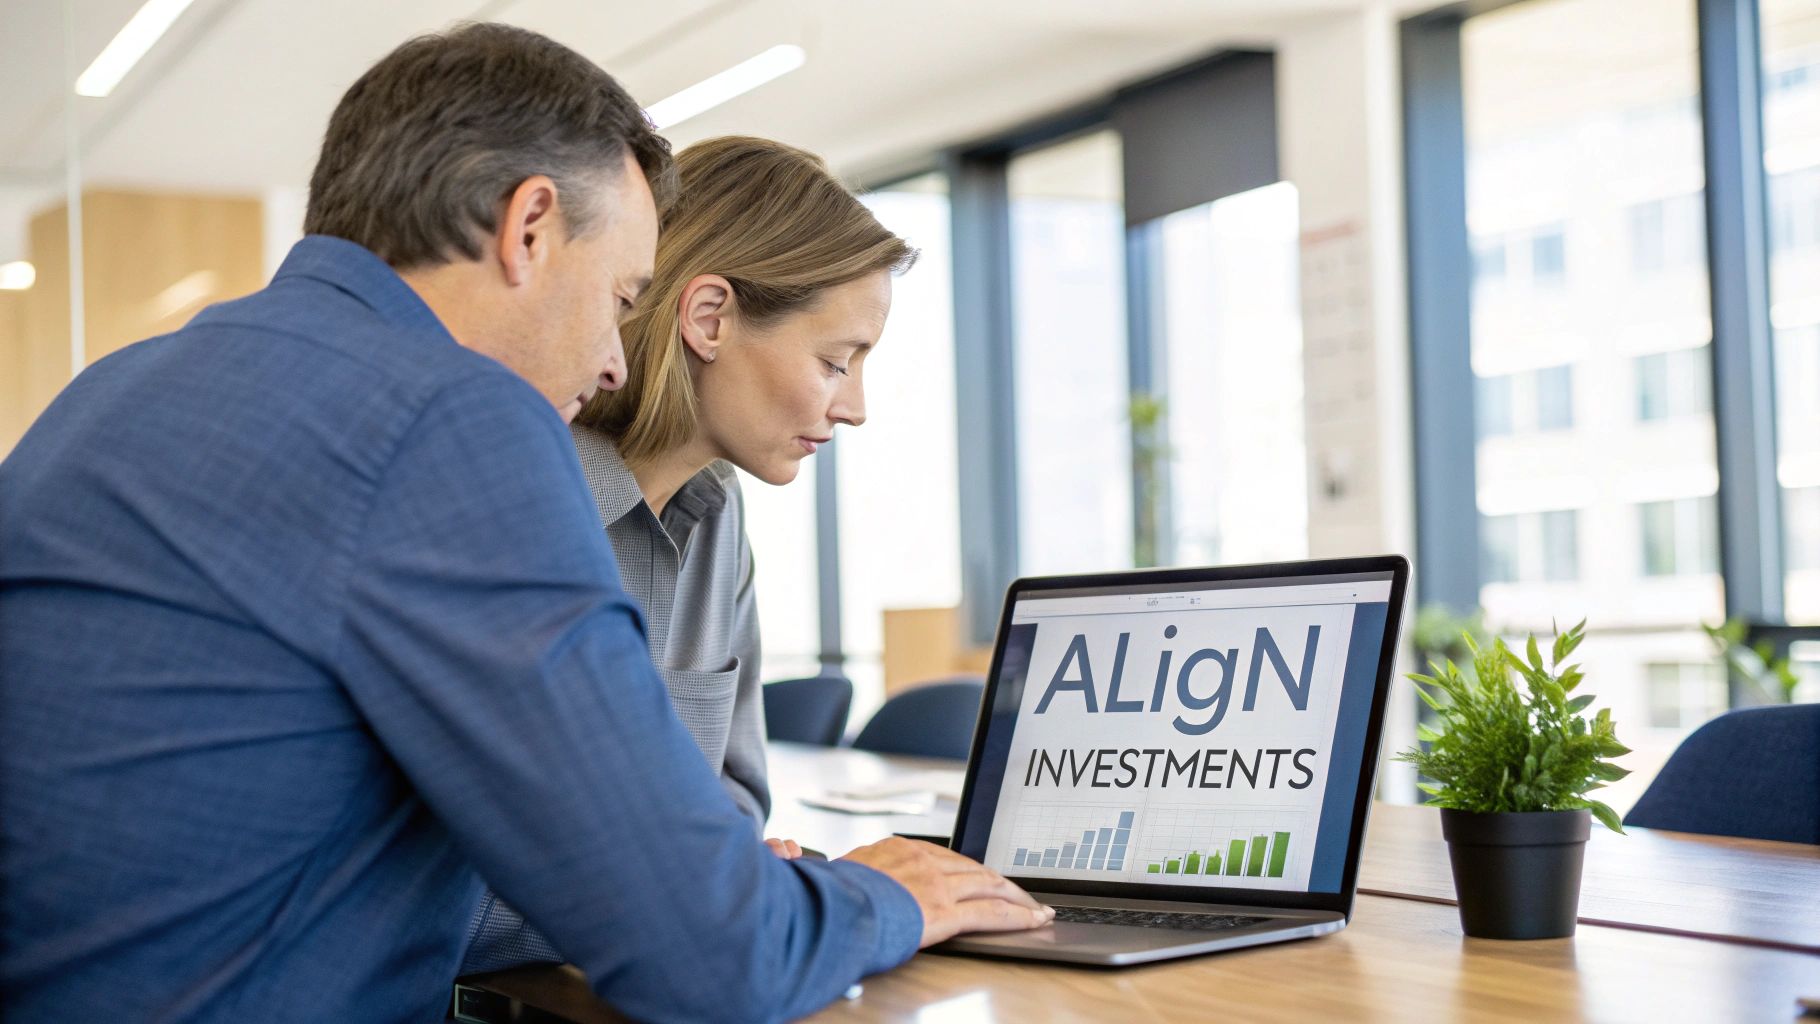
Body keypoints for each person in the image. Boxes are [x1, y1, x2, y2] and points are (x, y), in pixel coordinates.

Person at [0, 22, 1050, 1023]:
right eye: (619, 296)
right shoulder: (448, 417)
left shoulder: (112, 389)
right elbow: (710, 954)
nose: (614, 360)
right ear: (530, 229)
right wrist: (887, 895)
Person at [463, 135, 912, 973]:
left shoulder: (718, 514)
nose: (854, 407)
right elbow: (450, 889)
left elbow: (731, 809)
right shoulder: (513, 503)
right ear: (709, 319)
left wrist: (723, 879)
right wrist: (689, 896)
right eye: (835, 362)